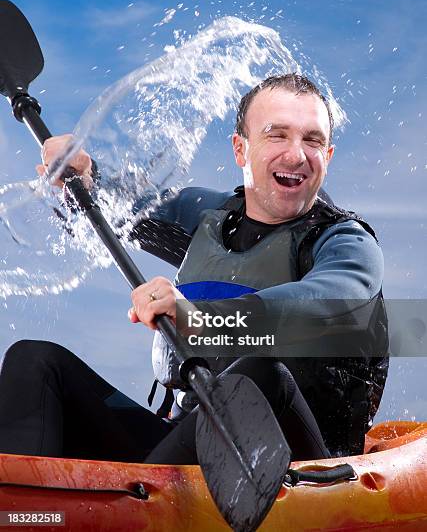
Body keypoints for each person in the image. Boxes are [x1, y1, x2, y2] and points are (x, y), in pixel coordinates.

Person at [0, 73, 388, 464]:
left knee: (259, 373)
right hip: (190, 442)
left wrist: (200, 318)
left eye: (312, 140)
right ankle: (19, 510)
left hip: (297, 460)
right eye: (277, 135)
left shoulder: (347, 244)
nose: (296, 154)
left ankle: (141, 513)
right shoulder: (207, 215)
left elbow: (329, 304)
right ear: (240, 149)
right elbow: (120, 209)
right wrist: (84, 174)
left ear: (328, 156)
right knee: (35, 360)